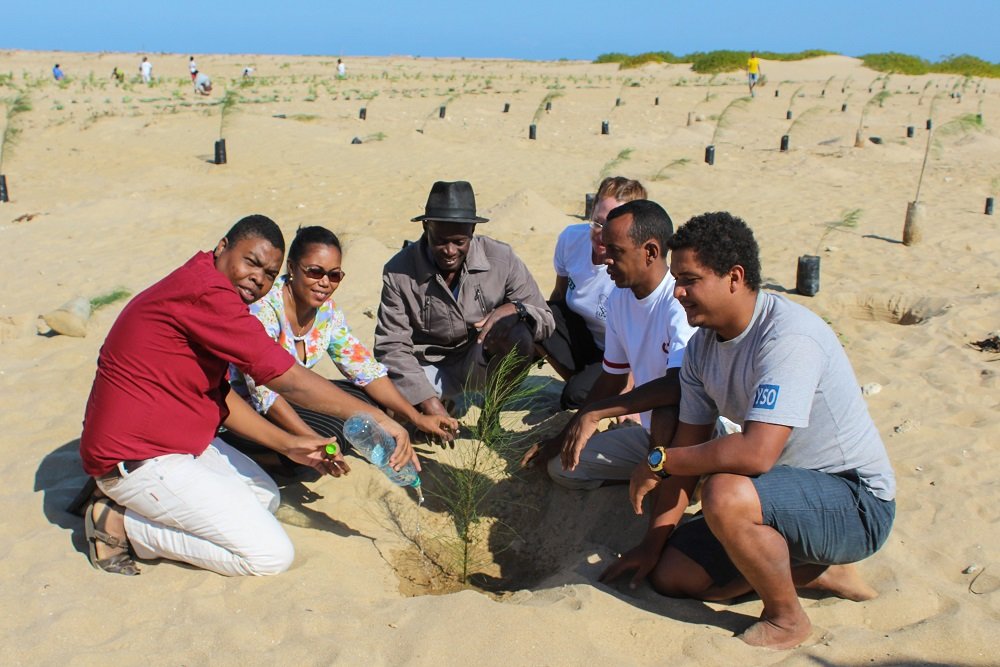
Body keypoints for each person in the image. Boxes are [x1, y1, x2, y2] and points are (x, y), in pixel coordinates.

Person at [600, 212, 896, 649]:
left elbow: (756, 454)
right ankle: (813, 570)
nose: (677, 291)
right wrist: (651, 544)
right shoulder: (702, 347)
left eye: (690, 279)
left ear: (735, 277)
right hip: (782, 496)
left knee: (723, 492)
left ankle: (786, 619)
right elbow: (688, 449)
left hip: (855, 502)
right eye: (677, 279)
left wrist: (658, 460)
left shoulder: (788, 337)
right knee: (671, 575)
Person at [79, 214, 417, 577]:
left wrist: (289, 443)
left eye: (269, 273)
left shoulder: (210, 286)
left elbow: (219, 396)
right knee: (270, 557)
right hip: (138, 457)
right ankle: (121, 523)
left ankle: (138, 511)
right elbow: (285, 379)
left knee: (266, 498)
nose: (259, 278)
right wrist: (376, 417)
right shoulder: (206, 293)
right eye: (251, 262)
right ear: (222, 248)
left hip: (181, 442)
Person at [229, 225, 458, 451]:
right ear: (292, 268)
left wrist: (416, 416)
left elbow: (364, 369)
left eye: (334, 275)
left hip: (295, 398)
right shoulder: (263, 311)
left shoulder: (326, 311)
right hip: (247, 408)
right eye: (315, 272)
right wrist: (311, 440)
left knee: (372, 399)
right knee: (333, 432)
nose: (325, 282)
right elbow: (265, 395)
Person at [531, 200, 696, 489]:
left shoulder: (679, 303)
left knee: (664, 412)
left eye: (616, 251)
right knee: (564, 468)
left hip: (695, 434)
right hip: (648, 434)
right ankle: (648, 478)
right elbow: (612, 378)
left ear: (651, 252)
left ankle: (674, 481)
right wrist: (565, 436)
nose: (604, 258)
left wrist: (598, 414)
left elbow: (677, 386)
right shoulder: (620, 298)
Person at [374, 180, 554, 421]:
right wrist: (427, 401)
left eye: (459, 242)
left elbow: (546, 319)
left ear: (472, 230)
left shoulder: (502, 258)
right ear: (426, 227)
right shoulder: (398, 272)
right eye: (440, 240)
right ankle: (441, 403)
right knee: (388, 405)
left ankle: (491, 412)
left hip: (479, 361)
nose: (449, 251)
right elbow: (391, 347)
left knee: (519, 331)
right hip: (427, 366)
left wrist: (515, 309)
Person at [541, 176, 647, 410]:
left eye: (611, 228)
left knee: (574, 396)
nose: (601, 234)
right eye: (597, 223)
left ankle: (590, 387)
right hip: (583, 338)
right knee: (535, 319)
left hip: (620, 356)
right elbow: (559, 294)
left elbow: (642, 340)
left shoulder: (633, 269)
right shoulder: (571, 238)